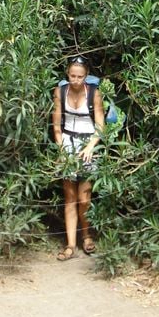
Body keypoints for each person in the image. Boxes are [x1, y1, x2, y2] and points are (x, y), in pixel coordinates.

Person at [52, 54, 104, 260]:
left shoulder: (94, 94)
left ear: (86, 76)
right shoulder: (60, 91)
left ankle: (87, 236)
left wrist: (91, 146)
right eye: (72, 76)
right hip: (68, 143)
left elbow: (100, 124)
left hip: (88, 144)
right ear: (67, 74)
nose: (75, 80)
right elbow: (56, 124)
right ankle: (71, 245)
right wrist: (61, 148)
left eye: (80, 76)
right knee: (70, 198)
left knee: (84, 198)